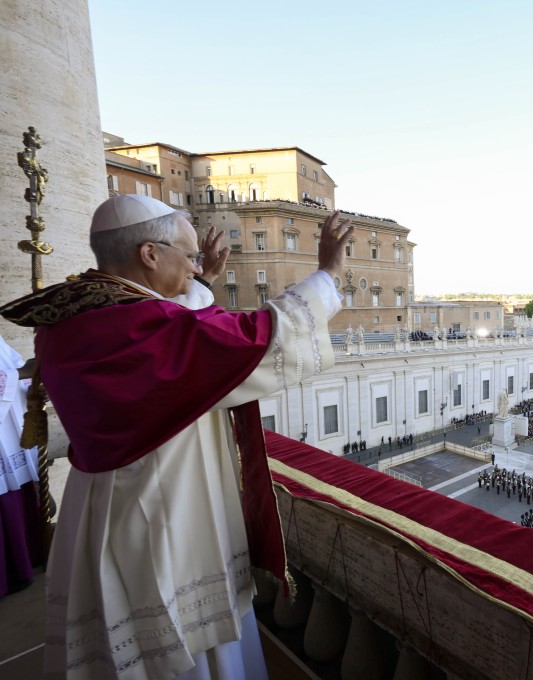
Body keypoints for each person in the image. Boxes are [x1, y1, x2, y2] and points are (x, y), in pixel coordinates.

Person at [0, 195, 353, 679]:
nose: (193, 268)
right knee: (182, 641)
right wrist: (327, 275)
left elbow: (175, 321)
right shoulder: (143, 327)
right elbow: (255, 335)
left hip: (104, 502)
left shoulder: (77, 314)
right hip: (161, 507)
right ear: (149, 254)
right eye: (187, 258)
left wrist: (201, 278)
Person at [0, 335, 40, 598]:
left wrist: (31, 385)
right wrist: (23, 372)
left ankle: (27, 560)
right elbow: (17, 369)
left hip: (11, 431)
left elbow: (13, 363)